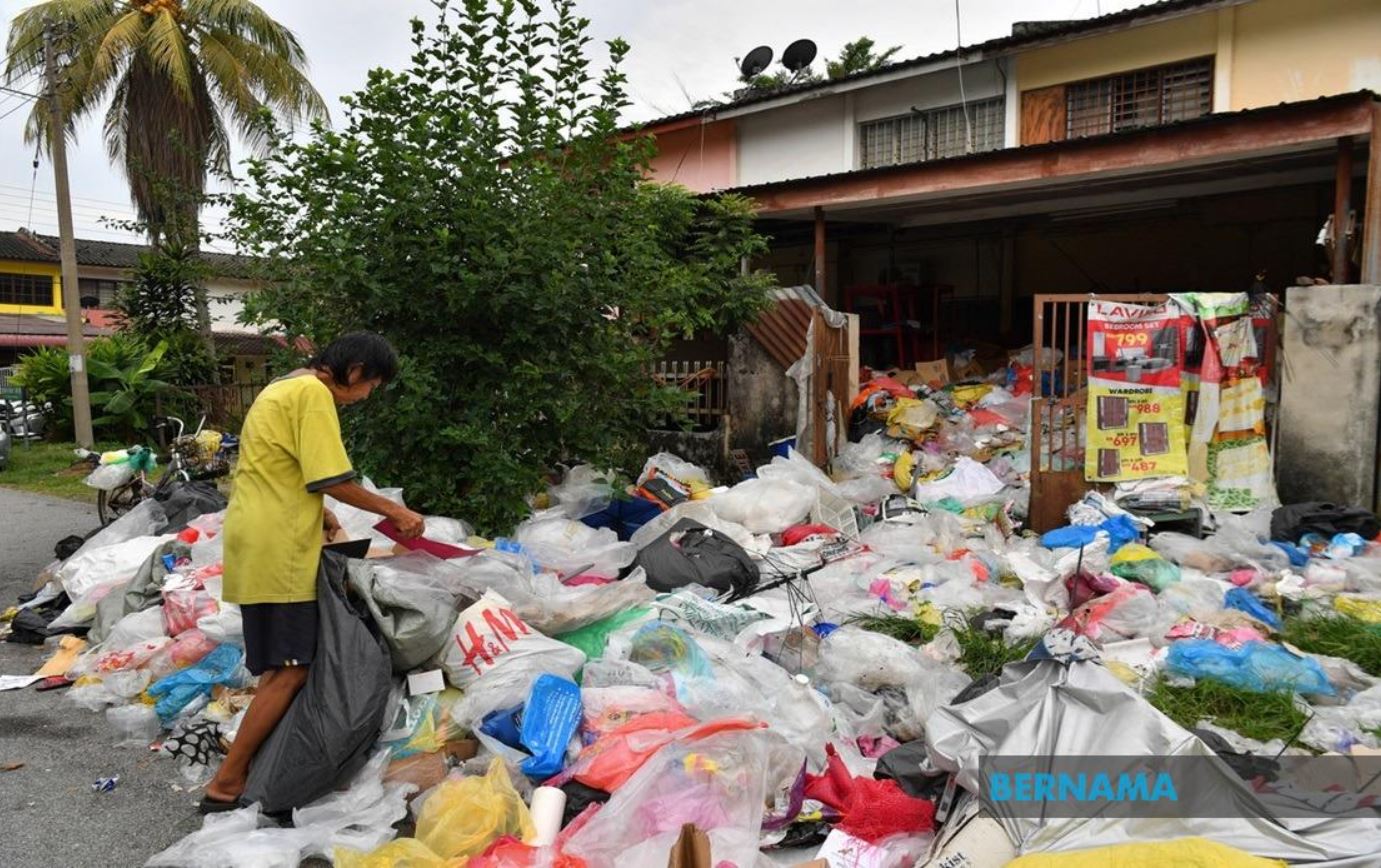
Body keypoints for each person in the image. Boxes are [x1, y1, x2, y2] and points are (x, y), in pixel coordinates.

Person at [201, 332, 425, 812]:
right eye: (372, 385)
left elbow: (278, 466)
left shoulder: (283, 386)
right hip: (278, 547)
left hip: (259, 534)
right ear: (357, 370)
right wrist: (396, 512)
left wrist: (319, 512)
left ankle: (256, 766)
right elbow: (331, 478)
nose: (366, 397)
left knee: (282, 667)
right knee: (288, 669)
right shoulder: (312, 393)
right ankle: (226, 784)